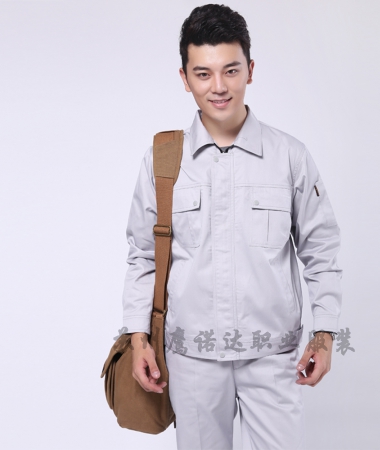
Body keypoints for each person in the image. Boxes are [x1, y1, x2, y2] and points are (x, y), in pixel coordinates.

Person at [121, 4, 343, 449]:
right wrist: (137, 336)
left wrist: (325, 334)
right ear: (185, 78)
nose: (218, 87)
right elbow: (143, 255)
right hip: (192, 359)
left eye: (231, 70)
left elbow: (321, 250)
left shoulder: (290, 157)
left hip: (273, 357)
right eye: (203, 74)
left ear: (250, 71)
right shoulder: (162, 161)